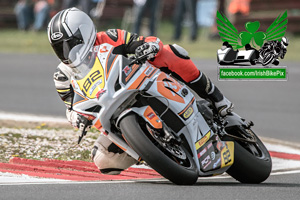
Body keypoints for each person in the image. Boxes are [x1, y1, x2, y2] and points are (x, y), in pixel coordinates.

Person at [48, 7, 234, 175]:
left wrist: (148, 46)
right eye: (60, 49)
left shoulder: (109, 37)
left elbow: (141, 41)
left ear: (85, 33)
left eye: (70, 44)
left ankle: (216, 98)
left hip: (138, 83)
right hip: (110, 115)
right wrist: (76, 119)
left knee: (170, 52)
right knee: (101, 159)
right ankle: (151, 154)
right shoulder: (62, 77)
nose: (67, 52)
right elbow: (72, 108)